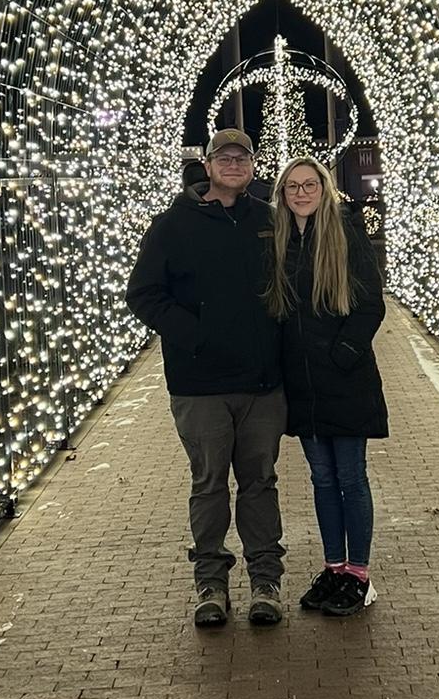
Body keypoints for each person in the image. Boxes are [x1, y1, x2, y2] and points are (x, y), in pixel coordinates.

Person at [126, 129, 287, 627]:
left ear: (254, 166)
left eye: (243, 157)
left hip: (262, 383)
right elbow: (144, 294)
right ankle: (211, 585)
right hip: (200, 385)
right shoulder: (172, 225)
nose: (234, 164)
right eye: (225, 156)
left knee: (260, 482)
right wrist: (196, 335)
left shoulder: (269, 220)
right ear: (208, 164)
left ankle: (266, 582)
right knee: (210, 483)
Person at [267, 156, 387, 617]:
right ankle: (333, 567)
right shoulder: (278, 241)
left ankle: (358, 574)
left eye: (309, 184)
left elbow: (370, 303)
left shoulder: (345, 231)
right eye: (292, 186)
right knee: (322, 479)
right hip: (303, 383)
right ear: (282, 194)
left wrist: (343, 355)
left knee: (351, 478)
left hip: (344, 378)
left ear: (324, 188)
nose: (301, 193)